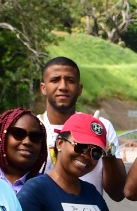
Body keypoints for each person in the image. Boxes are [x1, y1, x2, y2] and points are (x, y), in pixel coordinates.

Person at [38, 56, 127, 202]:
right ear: (43, 88)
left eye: (70, 80)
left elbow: (118, 194)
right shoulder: (30, 130)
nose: (63, 86)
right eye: (55, 80)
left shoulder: (100, 127)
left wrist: (104, 149)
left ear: (79, 89)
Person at [0, 107, 49, 193]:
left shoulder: (46, 187)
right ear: (2, 136)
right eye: (18, 133)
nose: (27, 142)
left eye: (35, 137)